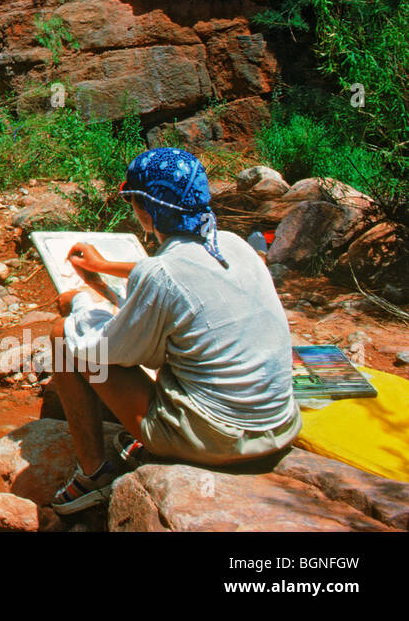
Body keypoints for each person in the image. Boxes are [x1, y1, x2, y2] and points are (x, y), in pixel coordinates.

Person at [48, 147, 300, 515]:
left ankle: (94, 474)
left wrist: (82, 302)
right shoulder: (233, 244)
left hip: (221, 440)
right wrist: (103, 265)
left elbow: (100, 349)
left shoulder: (162, 275)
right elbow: (177, 268)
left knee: (62, 335)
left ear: (148, 212)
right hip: (279, 426)